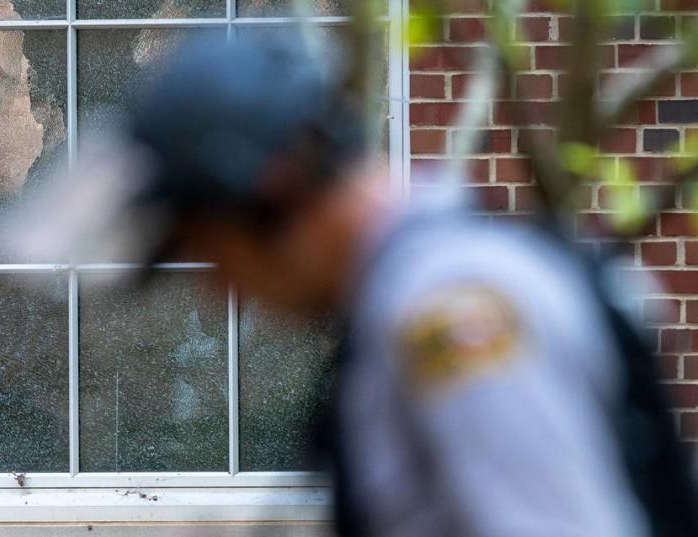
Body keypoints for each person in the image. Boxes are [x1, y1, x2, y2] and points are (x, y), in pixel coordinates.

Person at [120, 36, 698, 536]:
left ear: (276, 196)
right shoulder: (419, 281)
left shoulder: (448, 308)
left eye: (216, 256)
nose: (222, 292)